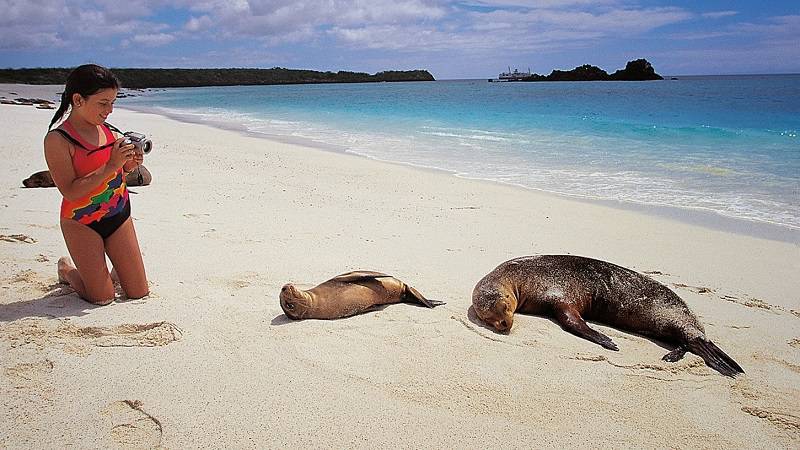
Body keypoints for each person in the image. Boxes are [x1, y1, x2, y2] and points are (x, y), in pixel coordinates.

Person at [44, 64, 148, 305]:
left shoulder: (109, 131)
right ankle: (67, 271)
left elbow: (118, 173)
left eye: (113, 102)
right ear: (78, 99)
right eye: (103, 103)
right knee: (101, 297)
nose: (110, 110)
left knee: (139, 292)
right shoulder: (58, 139)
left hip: (118, 214)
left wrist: (130, 165)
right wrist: (112, 165)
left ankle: (115, 267)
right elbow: (69, 191)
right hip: (81, 222)